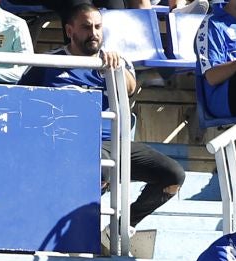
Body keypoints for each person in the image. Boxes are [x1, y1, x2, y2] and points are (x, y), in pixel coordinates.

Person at [20, 6, 186, 227]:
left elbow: (130, 88)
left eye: (98, 27)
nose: (94, 33)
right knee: (94, 165)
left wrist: (115, 70)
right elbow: (19, 101)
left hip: (113, 142)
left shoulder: (114, 61)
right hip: (67, 143)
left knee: (173, 175)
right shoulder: (48, 64)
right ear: (70, 31)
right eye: (86, 27)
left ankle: (120, 228)